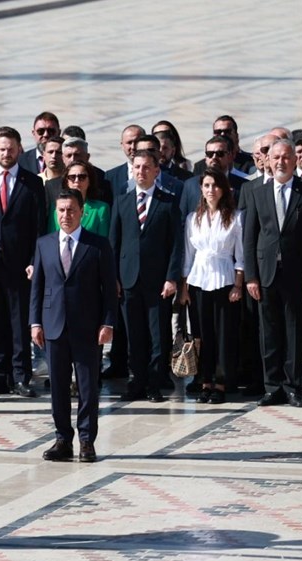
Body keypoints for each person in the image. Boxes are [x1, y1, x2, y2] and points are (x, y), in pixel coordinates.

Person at [32, 189, 117, 462]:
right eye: (61, 210)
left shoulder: (98, 245)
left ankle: (86, 440)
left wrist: (108, 323)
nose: (65, 215)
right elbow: (38, 287)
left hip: (87, 327)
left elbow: (109, 290)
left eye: (71, 210)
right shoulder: (44, 244)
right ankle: (62, 439)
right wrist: (35, 322)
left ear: (82, 212)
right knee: (57, 386)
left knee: (87, 386)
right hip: (53, 325)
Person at [242, 139, 302, 407]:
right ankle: (272, 386)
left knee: (294, 331)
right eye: (275, 157)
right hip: (265, 274)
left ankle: (292, 386)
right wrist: (251, 276)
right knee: (269, 333)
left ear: (294, 160)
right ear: (268, 160)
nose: (280, 162)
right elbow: (250, 238)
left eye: (286, 157)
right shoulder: (258, 193)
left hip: (296, 275)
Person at [109, 149, 184, 403]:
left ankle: (154, 383)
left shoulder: (168, 202)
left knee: (157, 336)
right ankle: (136, 382)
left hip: (157, 282)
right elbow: (114, 243)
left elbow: (176, 244)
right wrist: (114, 279)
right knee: (134, 336)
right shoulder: (122, 201)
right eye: (136, 167)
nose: (140, 172)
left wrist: (172, 277)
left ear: (156, 171)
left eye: (145, 167)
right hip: (129, 280)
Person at [0, 127, 45, 397]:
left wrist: (33, 260)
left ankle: (20, 377)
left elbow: (39, 227)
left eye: (11, 148)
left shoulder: (32, 182)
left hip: (19, 264)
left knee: (19, 323)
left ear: (19, 149)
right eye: (1, 148)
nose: (6, 153)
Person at [178, 170, 244, 404]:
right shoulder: (192, 218)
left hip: (224, 281)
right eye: (206, 185)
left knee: (223, 334)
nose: (210, 190)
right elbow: (188, 255)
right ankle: (204, 380)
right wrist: (184, 288)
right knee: (201, 334)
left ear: (224, 189)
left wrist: (238, 284)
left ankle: (221, 381)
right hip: (198, 281)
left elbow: (241, 255)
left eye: (215, 185)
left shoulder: (235, 217)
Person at [48, 161, 110, 237]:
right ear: (67, 181)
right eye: (72, 177)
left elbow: (104, 241)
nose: (77, 181)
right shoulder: (55, 207)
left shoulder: (101, 209)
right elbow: (51, 237)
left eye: (82, 177)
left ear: (89, 181)